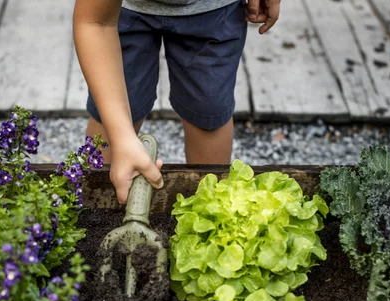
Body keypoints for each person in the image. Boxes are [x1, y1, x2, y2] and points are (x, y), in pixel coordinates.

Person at [73, 0, 281, 204]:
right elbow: (94, 23)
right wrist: (122, 139)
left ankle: (208, 214)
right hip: (121, 9)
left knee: (208, 112)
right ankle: (95, 207)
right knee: (110, 113)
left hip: (214, 10)